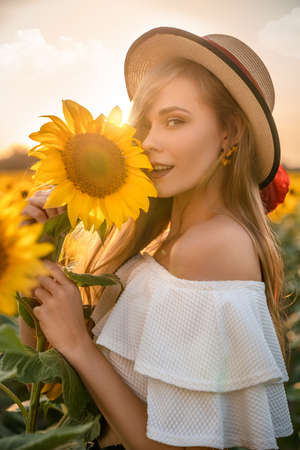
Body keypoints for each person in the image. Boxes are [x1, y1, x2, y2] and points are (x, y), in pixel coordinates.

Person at [19, 27, 294, 450]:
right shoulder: (161, 240)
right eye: (145, 124)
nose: (148, 143)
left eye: (175, 121)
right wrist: (32, 254)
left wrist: (78, 342)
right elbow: (44, 370)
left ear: (230, 133)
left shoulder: (214, 246)